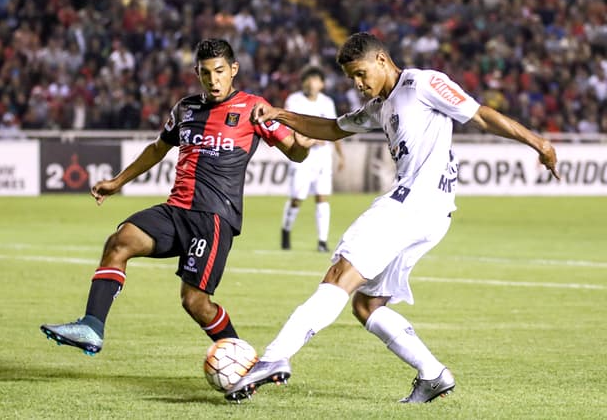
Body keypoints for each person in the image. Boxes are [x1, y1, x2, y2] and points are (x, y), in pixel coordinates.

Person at [225, 32, 559, 403]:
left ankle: (273, 358)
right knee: (367, 305)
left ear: (382, 60)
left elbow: (479, 115)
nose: (357, 83)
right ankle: (433, 375)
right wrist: (280, 114)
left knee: (340, 274)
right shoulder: (380, 107)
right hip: (432, 214)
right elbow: (333, 128)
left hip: (412, 204)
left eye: (361, 73)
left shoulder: (422, 83)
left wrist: (539, 143)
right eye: (352, 77)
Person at [40, 39, 314, 355]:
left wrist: (302, 146)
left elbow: (293, 152)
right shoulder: (186, 108)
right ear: (197, 73)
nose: (213, 80)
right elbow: (159, 148)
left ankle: (244, 360)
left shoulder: (254, 108)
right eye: (205, 73)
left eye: (220, 72)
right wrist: (118, 182)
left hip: (212, 218)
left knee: (194, 301)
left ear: (234, 70)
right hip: (175, 211)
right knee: (119, 242)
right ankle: (92, 326)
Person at [281, 66, 344, 252]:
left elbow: (334, 128)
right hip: (302, 157)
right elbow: (288, 126)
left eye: (315, 79)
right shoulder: (294, 100)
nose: (311, 82)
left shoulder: (327, 102)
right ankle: (286, 230)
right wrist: (313, 139)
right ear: (303, 82)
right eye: (308, 79)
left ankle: (322, 242)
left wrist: (341, 155)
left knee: (322, 197)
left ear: (322, 84)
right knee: (297, 198)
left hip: (323, 158)